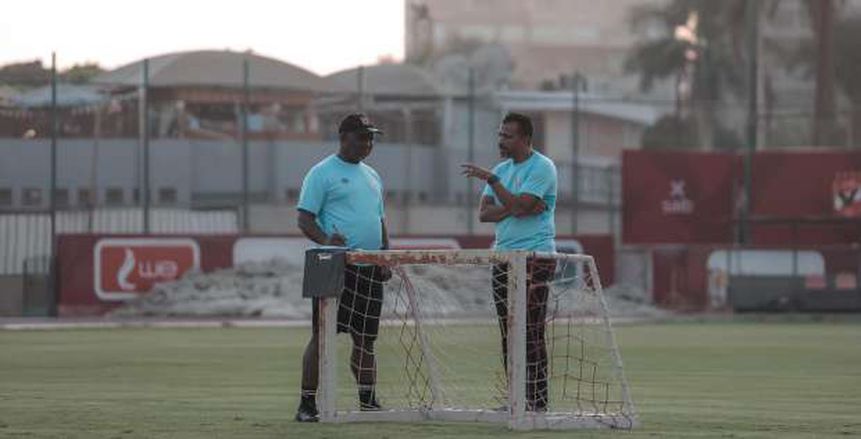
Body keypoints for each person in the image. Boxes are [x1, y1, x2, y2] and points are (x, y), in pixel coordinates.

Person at [295, 113, 391, 422]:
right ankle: (307, 405)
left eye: (371, 138)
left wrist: (384, 256)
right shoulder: (321, 173)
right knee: (321, 335)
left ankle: (369, 401)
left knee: (366, 338)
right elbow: (304, 218)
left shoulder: (373, 175)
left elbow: (379, 221)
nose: (368, 143)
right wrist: (327, 240)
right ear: (343, 138)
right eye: (362, 137)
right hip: (332, 265)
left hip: (369, 265)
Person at [461, 112, 558, 412]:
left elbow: (517, 205)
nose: (501, 140)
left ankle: (537, 401)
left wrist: (494, 182)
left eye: (508, 136)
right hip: (504, 257)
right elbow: (485, 214)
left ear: (526, 139)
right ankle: (516, 397)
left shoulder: (542, 167)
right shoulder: (502, 169)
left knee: (530, 329)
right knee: (508, 330)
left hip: (535, 257)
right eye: (500, 134)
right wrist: (516, 207)